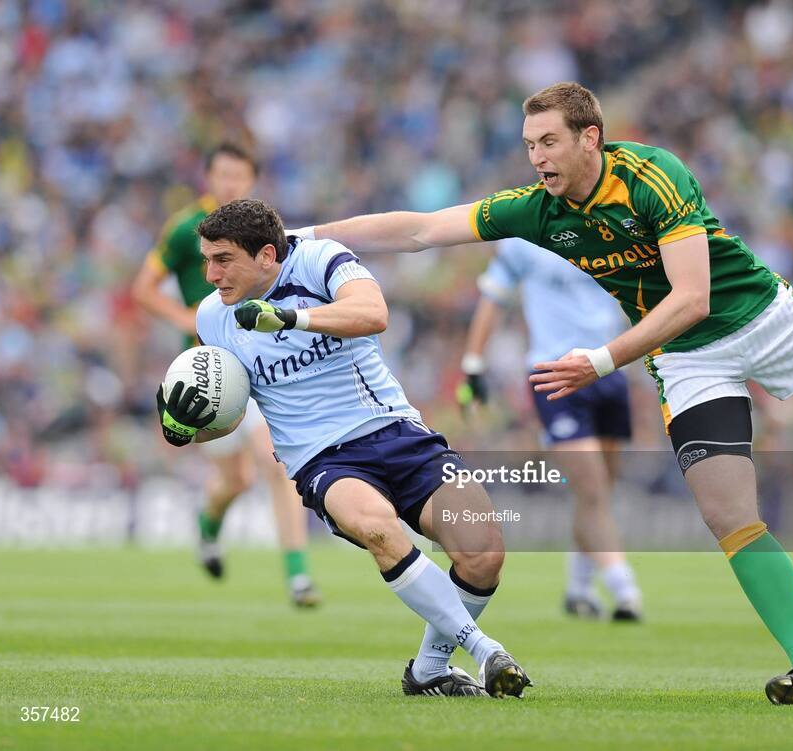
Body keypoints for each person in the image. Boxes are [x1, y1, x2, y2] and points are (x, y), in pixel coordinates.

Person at [294, 81, 793, 705]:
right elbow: (421, 231)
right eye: (528, 144)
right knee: (727, 515)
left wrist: (598, 362)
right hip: (686, 359)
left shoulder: (653, 175)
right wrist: (305, 237)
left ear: (589, 138)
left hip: (760, 320)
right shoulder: (539, 211)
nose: (536, 157)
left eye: (548, 142)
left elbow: (692, 298)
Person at [156, 198, 531, 698]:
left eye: (222, 260)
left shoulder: (320, 258)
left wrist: (290, 319)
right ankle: (485, 651)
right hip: (322, 460)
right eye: (206, 260)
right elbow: (228, 415)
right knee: (377, 527)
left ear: (266, 255)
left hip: (396, 432)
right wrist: (186, 428)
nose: (210, 274)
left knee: (483, 553)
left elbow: (374, 313)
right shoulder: (212, 318)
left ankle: (427, 670)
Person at [132, 143, 321, 607]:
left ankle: (298, 577)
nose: (230, 184)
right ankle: (208, 527)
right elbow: (143, 289)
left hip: (256, 362)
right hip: (207, 371)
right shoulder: (184, 231)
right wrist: (186, 320)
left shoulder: (261, 232)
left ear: (251, 181)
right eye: (222, 174)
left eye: (239, 176)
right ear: (208, 178)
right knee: (234, 481)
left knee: (273, 462)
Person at [458, 236, 642, 620]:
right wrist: (474, 365)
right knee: (592, 489)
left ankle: (578, 587)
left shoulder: (608, 226)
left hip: (608, 368)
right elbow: (493, 299)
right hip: (553, 372)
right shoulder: (525, 238)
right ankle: (624, 588)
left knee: (600, 491)